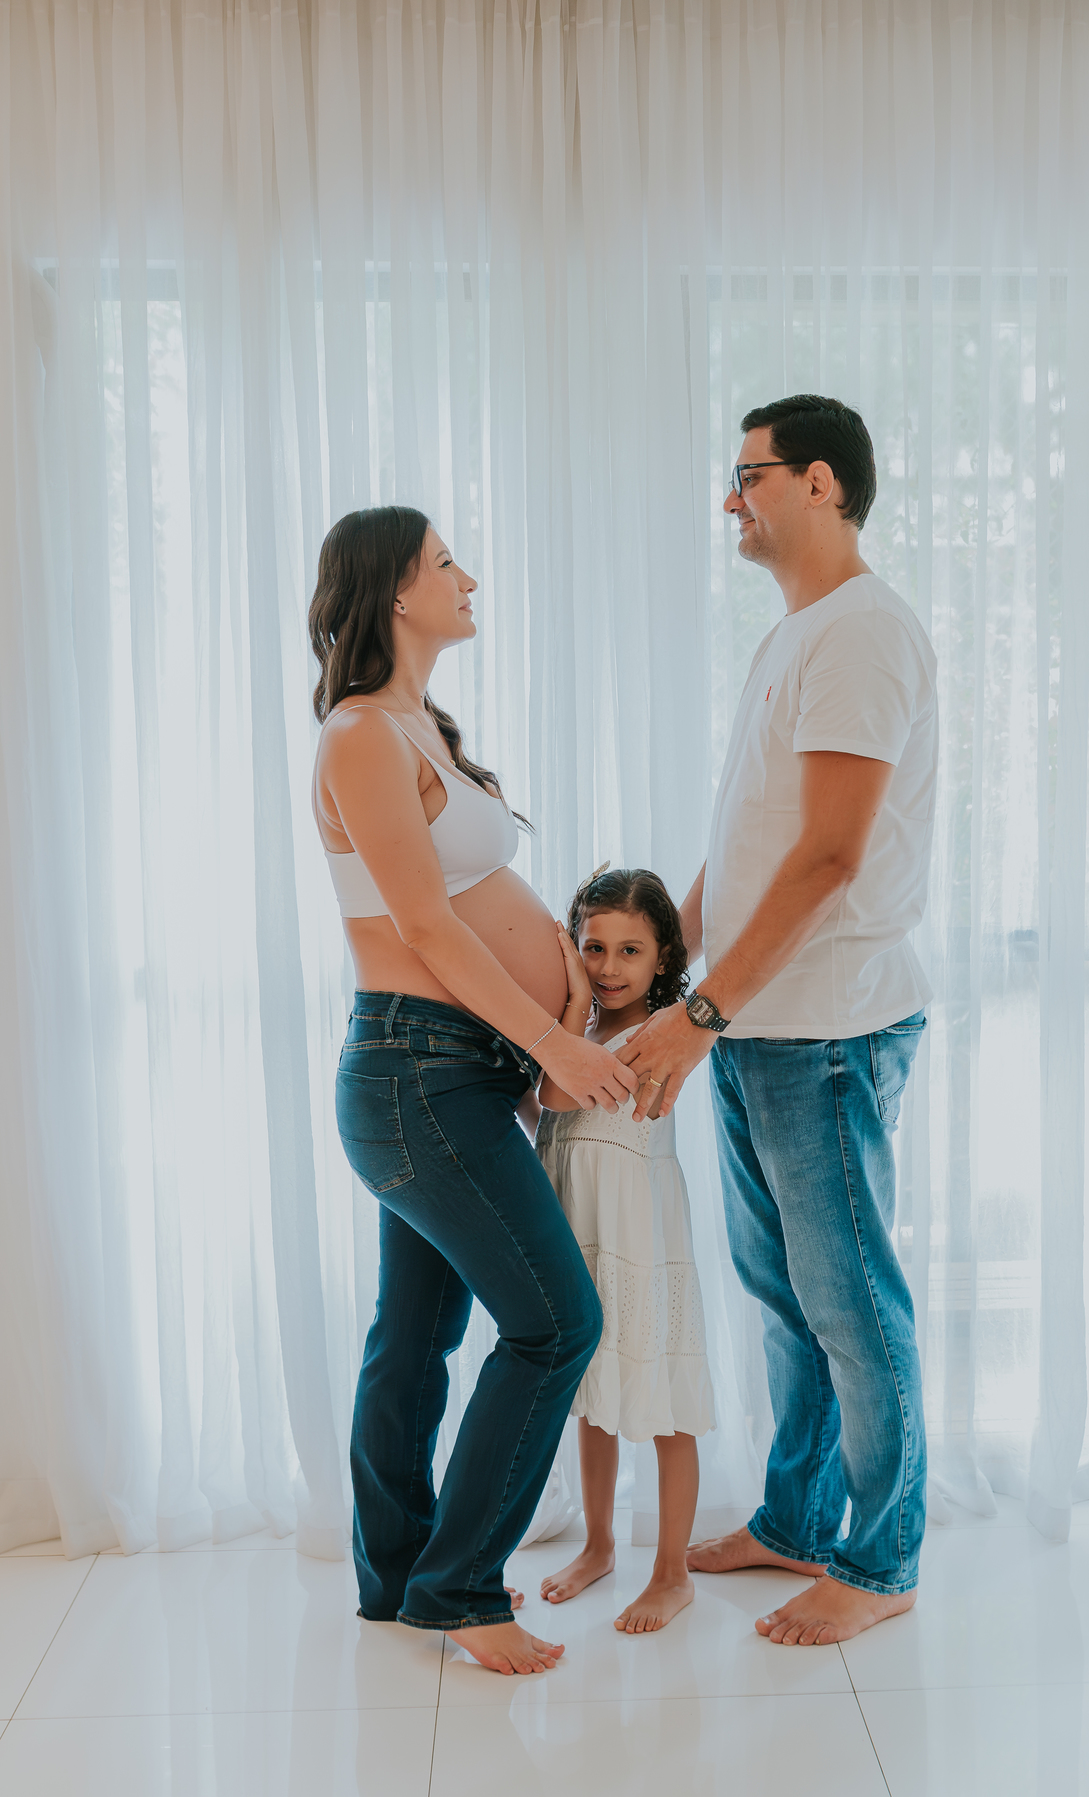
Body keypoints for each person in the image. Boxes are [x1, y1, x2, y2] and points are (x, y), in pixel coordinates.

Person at [616, 394, 938, 1647]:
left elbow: (828, 859)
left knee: (850, 1300)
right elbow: (746, 847)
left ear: (817, 481)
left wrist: (696, 1014)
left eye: (745, 475)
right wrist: (668, 981)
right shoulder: (800, 633)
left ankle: (884, 1556)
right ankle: (799, 1521)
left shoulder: (861, 633)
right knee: (784, 1293)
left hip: (826, 1032)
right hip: (761, 1024)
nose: (728, 499)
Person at [309, 506, 638, 1677]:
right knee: (556, 1325)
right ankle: (458, 1588)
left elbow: (474, 916)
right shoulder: (359, 734)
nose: (469, 578)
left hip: (456, 1074)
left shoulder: (417, 726)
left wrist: (549, 1028)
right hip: (418, 1073)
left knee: (416, 1338)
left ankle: (401, 1580)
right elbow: (427, 929)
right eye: (446, 562)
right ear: (394, 589)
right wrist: (556, 1048)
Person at [535, 867, 716, 1633]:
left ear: (663, 955)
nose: (609, 967)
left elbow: (551, 1093)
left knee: (665, 1402)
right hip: (582, 1226)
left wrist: (569, 1011)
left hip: (638, 1230)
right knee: (595, 1397)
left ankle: (672, 1571)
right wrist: (572, 1016)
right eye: (594, 947)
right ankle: (600, 1542)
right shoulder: (576, 1033)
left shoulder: (662, 1029)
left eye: (630, 950)